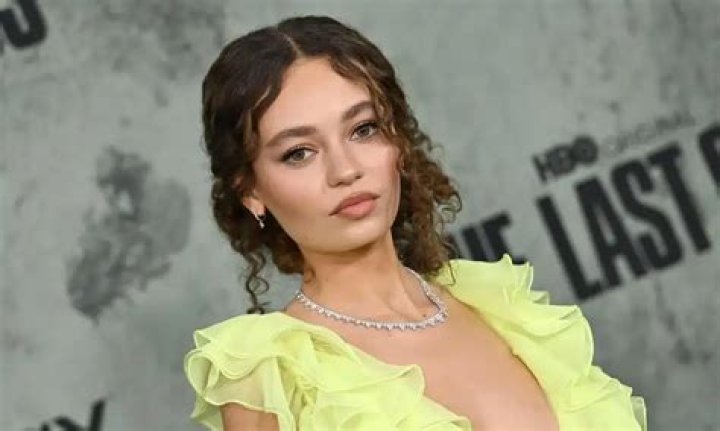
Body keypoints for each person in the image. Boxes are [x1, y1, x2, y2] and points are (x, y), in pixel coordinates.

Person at [183, 15, 647, 431]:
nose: (345, 170)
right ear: (251, 190)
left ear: (398, 143)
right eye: (299, 153)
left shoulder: (503, 309)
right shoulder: (271, 375)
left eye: (363, 129)